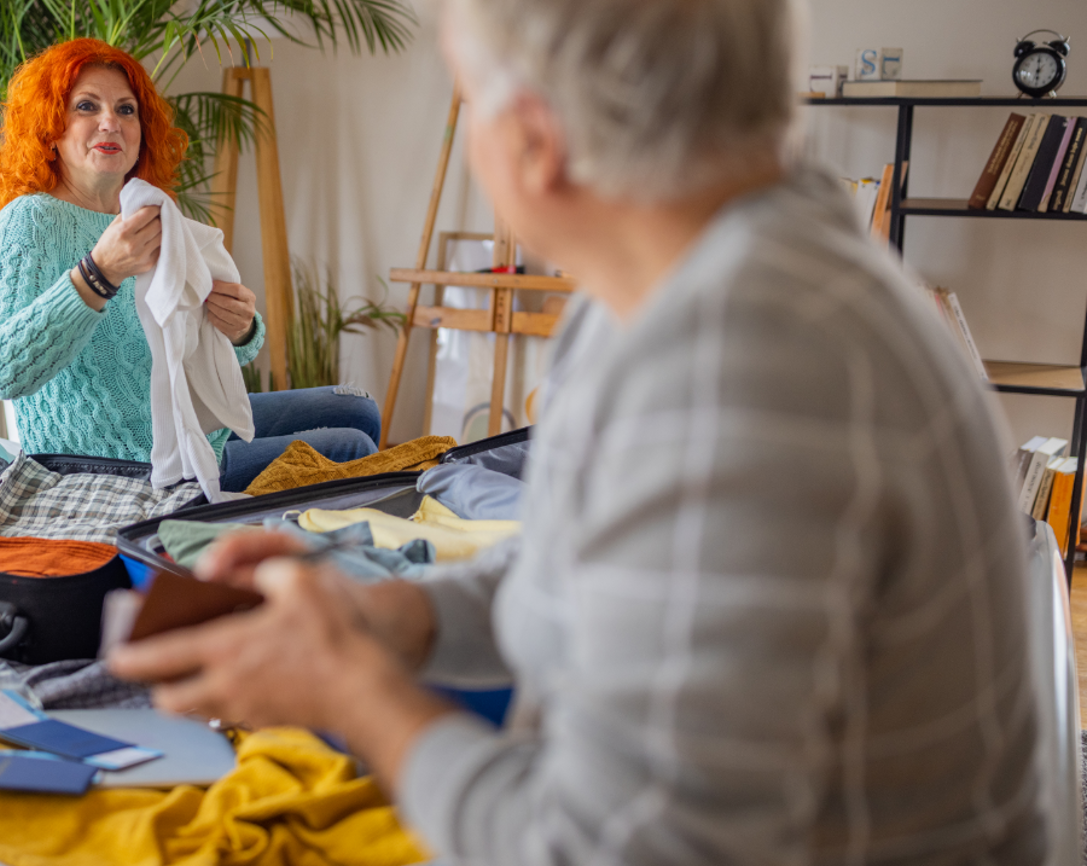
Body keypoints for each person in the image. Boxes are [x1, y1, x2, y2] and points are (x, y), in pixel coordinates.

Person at [110, 0, 1049, 862]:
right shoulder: (679, 288)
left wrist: (355, 695)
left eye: (469, 99)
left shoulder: (747, 360)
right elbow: (582, 573)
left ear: (534, 140)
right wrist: (392, 616)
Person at [0, 39, 381, 492]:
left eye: (126, 110)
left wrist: (243, 329)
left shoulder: (148, 214)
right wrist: (99, 274)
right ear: (50, 127)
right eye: (86, 106)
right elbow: (3, 371)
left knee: (360, 408)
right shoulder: (28, 219)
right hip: (115, 462)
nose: (110, 122)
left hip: (183, 417)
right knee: (351, 449)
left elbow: (202, 339)